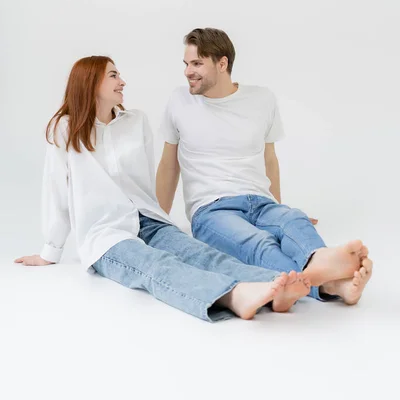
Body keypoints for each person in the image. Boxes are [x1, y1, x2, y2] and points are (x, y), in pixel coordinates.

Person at [15, 55, 314, 322]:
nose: (123, 82)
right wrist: (50, 251)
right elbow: (56, 190)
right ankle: (234, 297)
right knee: (157, 266)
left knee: (203, 255)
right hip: (105, 233)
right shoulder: (65, 130)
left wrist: (162, 218)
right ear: (90, 82)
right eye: (113, 75)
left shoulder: (136, 122)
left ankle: (277, 284)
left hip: (148, 218)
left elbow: (145, 179)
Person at [156, 28, 373, 304]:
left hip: (261, 201)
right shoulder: (179, 101)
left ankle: (328, 277)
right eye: (186, 64)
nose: (188, 71)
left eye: (197, 63)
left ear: (222, 64)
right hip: (211, 209)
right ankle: (324, 283)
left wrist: (279, 210)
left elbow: (270, 159)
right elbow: (168, 164)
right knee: (258, 243)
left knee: (293, 220)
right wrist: (158, 221)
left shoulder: (262, 99)